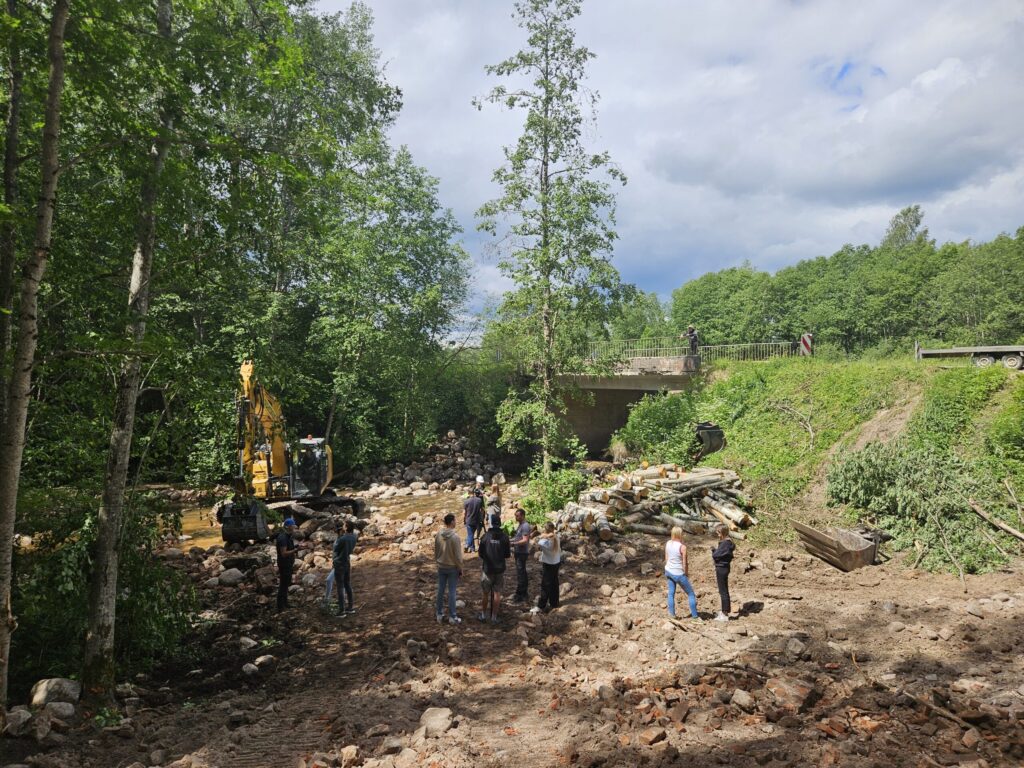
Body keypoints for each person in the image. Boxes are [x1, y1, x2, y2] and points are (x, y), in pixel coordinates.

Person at [478, 514, 512, 623]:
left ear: (491, 523)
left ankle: (483, 615)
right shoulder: (505, 537)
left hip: (487, 569)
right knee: (497, 593)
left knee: (485, 593)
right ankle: (494, 617)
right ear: (500, 523)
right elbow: (507, 555)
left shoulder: (485, 537)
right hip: (499, 569)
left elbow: (480, 553)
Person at [434, 512, 463, 624]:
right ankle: (452, 617)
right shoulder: (455, 537)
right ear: (451, 522)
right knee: (452, 592)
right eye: (455, 520)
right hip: (452, 568)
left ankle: (439, 614)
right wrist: (460, 568)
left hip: (441, 566)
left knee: (440, 590)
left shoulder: (438, 535)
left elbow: (436, 550)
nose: (456, 522)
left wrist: (437, 561)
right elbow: (458, 556)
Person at [664, 526, 698, 619]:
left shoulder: (668, 543)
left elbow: (666, 558)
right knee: (691, 594)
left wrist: (669, 567)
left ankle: (671, 614)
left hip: (668, 571)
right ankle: (695, 617)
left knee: (671, 593)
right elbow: (685, 563)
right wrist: (686, 574)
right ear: (680, 534)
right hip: (678, 573)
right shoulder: (682, 547)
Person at [533, 522, 561, 613]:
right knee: (554, 583)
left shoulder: (544, 542)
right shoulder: (557, 537)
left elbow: (538, 541)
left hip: (549, 564)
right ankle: (554, 603)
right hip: (556, 562)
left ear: (545, 531)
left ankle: (541, 606)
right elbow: (551, 536)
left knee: (545, 585)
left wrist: (543, 536)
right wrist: (547, 535)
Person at [333, 520, 359, 615]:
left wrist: (339, 536)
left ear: (346, 527)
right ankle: (350, 607)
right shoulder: (354, 537)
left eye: (344, 525)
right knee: (347, 584)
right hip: (347, 562)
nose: (342, 526)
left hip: (339, 563)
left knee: (340, 587)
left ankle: (341, 610)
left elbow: (336, 549)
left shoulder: (342, 538)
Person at [710, 524, 735, 622]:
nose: (717, 534)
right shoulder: (727, 542)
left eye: (718, 532)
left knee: (723, 591)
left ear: (722, 533)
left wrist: (714, 551)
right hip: (724, 567)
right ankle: (724, 611)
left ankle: (725, 614)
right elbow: (721, 554)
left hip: (721, 568)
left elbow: (716, 555)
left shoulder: (725, 543)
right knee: (723, 590)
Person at [275, 518, 298, 613]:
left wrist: (297, 547)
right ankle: (280, 606)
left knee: (286, 584)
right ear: (288, 527)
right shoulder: (283, 538)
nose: (295, 527)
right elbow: (284, 553)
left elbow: (289, 548)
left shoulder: (288, 536)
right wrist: (295, 550)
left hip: (288, 564)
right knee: (283, 585)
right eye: (293, 526)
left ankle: (285, 603)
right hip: (284, 564)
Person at [510, 507, 532, 603]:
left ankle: (521, 594)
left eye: (517, 516)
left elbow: (525, 540)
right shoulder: (520, 525)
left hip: (522, 553)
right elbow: (518, 538)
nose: (516, 517)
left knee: (521, 573)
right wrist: (510, 540)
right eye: (515, 516)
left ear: (522, 516)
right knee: (521, 572)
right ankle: (523, 593)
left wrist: (513, 544)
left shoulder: (525, 526)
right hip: (519, 552)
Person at [463, 488, 484, 553]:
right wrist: (482, 518)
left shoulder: (466, 501)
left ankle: (467, 545)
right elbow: (482, 510)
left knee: (470, 534)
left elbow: (464, 513)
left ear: (468, 493)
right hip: (477, 520)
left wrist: (464, 520)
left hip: (469, 520)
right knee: (471, 534)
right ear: (474, 493)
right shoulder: (479, 500)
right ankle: (472, 549)